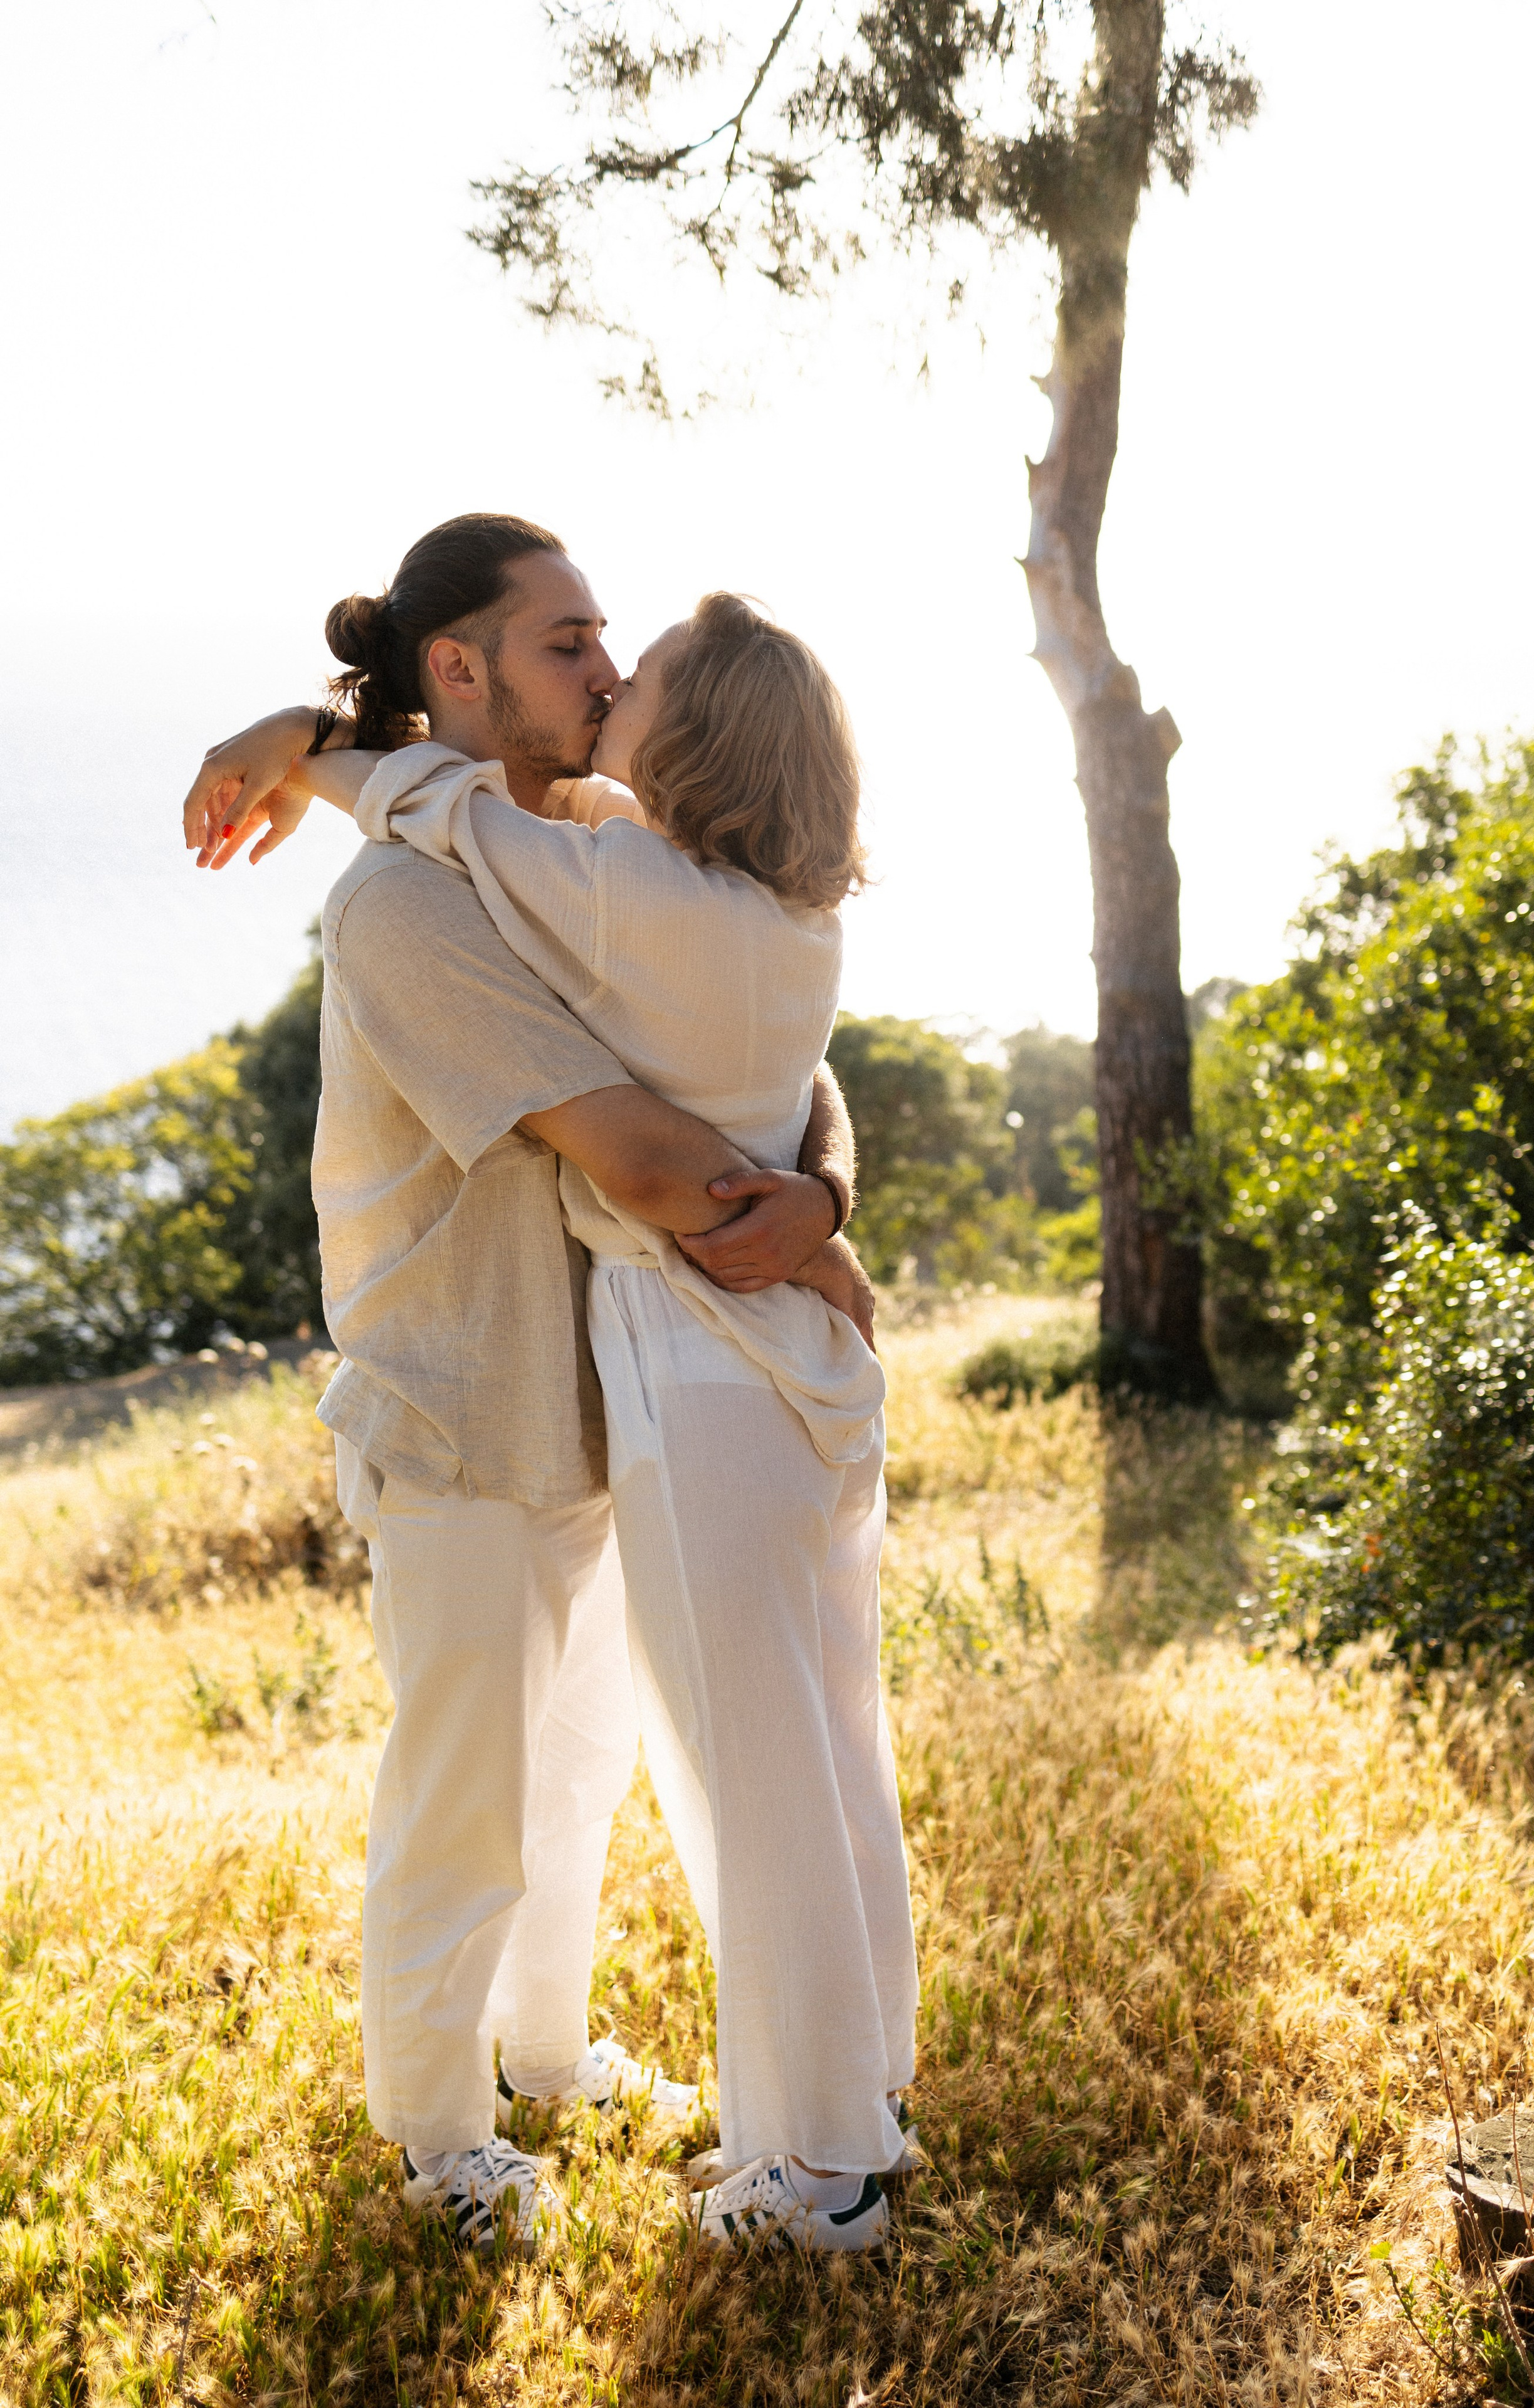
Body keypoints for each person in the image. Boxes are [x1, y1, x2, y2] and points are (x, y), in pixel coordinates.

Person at [192, 581, 920, 2257]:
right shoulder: (414, 905)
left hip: (626, 1402)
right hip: (473, 1399)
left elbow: (793, 1080)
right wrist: (310, 743)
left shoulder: (606, 861)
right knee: (472, 1795)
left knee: (593, 1769)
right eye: (571, 643)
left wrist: (821, 1192)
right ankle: (443, 2135)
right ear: (462, 668)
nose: (603, 674)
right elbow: (653, 1150)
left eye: (621, 653)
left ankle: (561, 2061)